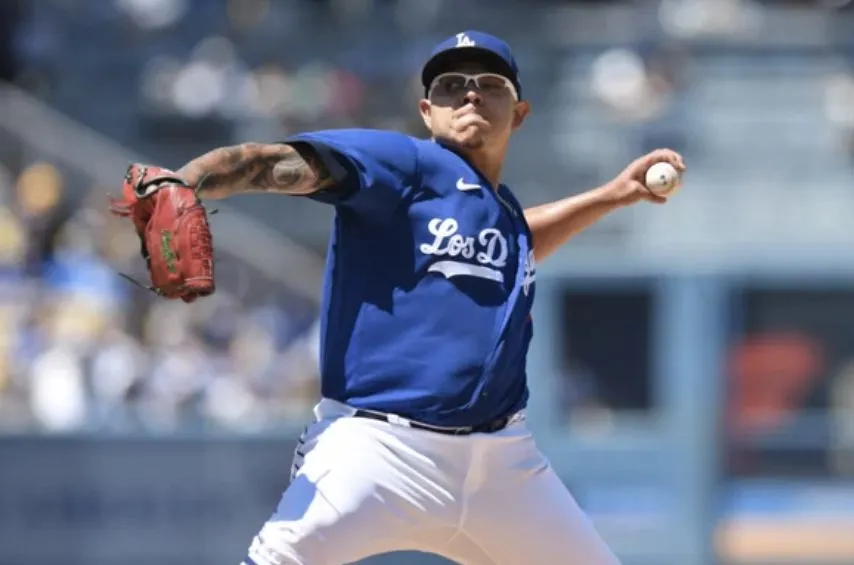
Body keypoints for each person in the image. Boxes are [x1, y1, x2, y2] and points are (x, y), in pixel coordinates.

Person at [172, 30, 685, 565]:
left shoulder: (500, 213)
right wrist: (185, 182)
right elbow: (270, 161)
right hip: (380, 449)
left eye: (489, 83)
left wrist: (611, 195)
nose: (469, 94)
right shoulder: (404, 166)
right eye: (450, 85)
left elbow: (516, 243)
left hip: (502, 466)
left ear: (520, 112)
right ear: (426, 110)